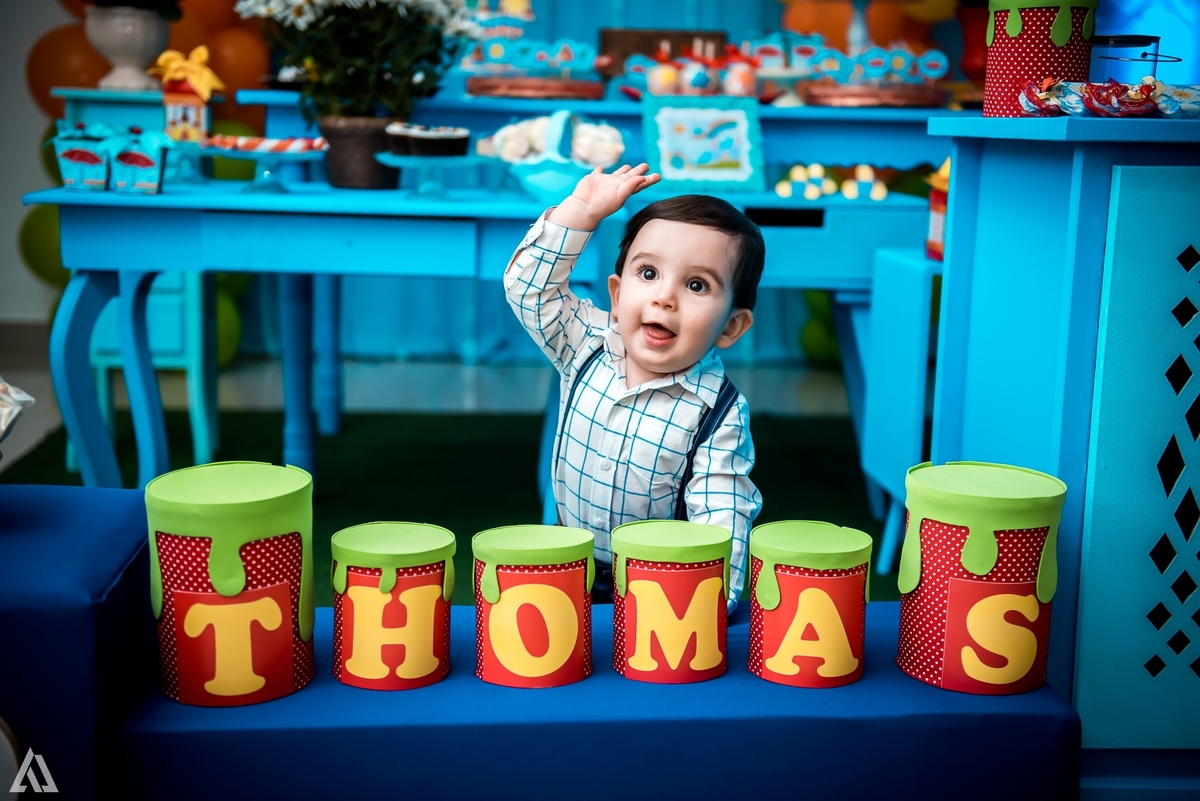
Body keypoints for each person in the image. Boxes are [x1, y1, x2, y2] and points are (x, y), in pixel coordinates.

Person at [505, 163, 764, 611]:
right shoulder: (584, 342)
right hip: (569, 569)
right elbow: (528, 289)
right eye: (648, 274)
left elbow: (722, 512)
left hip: (660, 587)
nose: (665, 297)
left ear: (732, 326)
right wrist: (581, 212)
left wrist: (710, 598)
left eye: (697, 284)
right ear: (617, 294)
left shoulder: (717, 412)